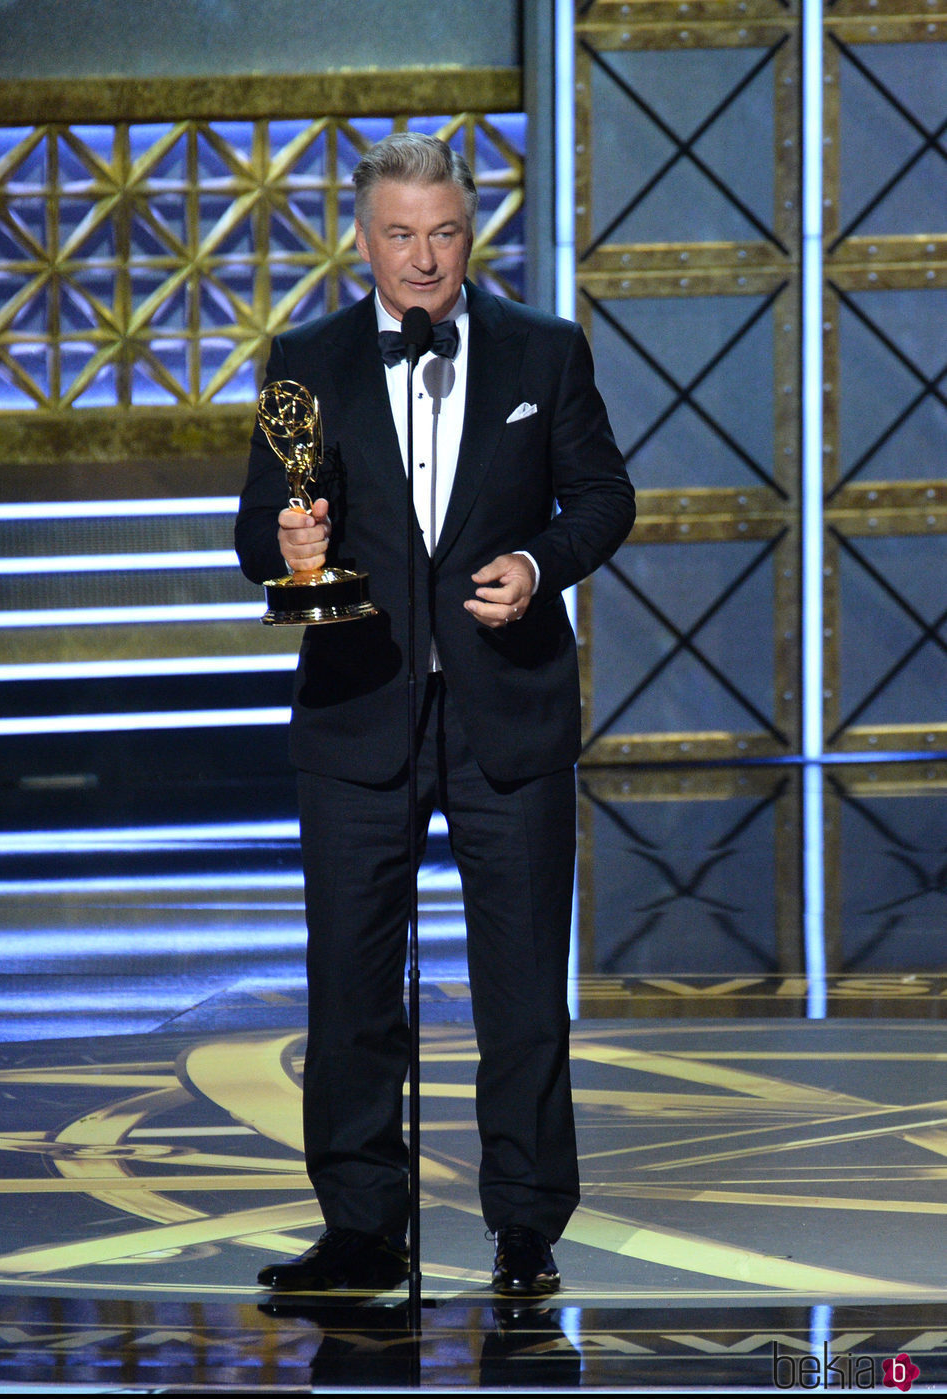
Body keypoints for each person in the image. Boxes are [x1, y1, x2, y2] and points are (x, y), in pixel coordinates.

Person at [235, 132, 635, 1297]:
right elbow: (256, 527)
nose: (423, 257)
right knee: (350, 985)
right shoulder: (302, 358)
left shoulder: (542, 352)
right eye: (399, 235)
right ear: (362, 243)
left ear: (473, 236)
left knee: (520, 986)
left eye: (444, 233)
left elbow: (604, 496)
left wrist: (537, 560)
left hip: (506, 713)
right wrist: (287, 546)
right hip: (359, 709)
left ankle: (524, 1228)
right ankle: (362, 1227)